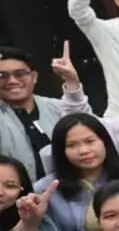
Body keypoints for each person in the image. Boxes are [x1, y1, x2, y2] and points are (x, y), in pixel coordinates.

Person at [30, 112, 119, 231]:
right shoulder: (44, 189)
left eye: (90, 141)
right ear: (61, 151)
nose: (83, 151)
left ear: (105, 141)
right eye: (72, 145)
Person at [0, 46, 89, 179]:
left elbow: (90, 129)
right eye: (2, 76)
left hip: (72, 191)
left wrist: (72, 81)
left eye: (20, 74)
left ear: (34, 77)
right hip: (17, 196)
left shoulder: (59, 108)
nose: (12, 81)